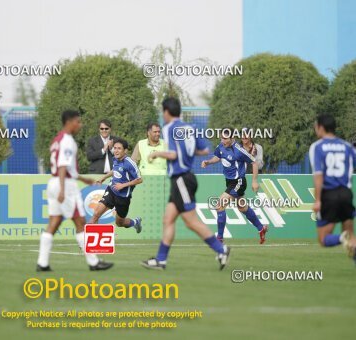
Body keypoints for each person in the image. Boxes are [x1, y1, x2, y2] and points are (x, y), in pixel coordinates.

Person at [140, 98, 230, 271]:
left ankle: (221, 249)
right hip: (183, 179)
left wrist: (156, 153)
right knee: (168, 219)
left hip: (181, 178)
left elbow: (173, 154)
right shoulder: (190, 128)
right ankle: (160, 260)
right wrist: (187, 152)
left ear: (166, 112)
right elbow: (204, 150)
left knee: (190, 221)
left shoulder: (170, 128)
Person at [36, 110, 113, 272]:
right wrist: (63, 189)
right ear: (69, 122)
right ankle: (93, 263)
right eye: (78, 122)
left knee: (54, 223)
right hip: (65, 185)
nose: (80, 125)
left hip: (54, 182)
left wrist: (83, 179)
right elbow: (63, 166)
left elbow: (65, 166)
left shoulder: (57, 139)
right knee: (80, 223)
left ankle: (42, 263)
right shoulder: (67, 140)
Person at [201, 129, 268, 244]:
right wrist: (208, 162)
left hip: (239, 182)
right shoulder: (221, 146)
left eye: (225, 138)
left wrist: (254, 181)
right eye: (221, 138)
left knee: (219, 205)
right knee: (242, 207)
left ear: (232, 138)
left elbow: (254, 162)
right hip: (229, 182)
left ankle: (219, 239)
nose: (223, 140)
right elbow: (217, 157)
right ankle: (261, 228)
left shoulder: (239, 150)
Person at [309, 114, 356, 263]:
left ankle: (342, 237)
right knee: (351, 236)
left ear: (321, 127)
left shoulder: (317, 147)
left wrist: (317, 200)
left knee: (323, 239)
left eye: (316, 126)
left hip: (329, 195)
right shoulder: (347, 146)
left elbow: (318, 175)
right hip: (346, 193)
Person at [90, 138, 143, 233]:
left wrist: (123, 185)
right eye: (115, 148)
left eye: (119, 148)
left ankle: (135, 222)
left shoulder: (130, 163)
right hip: (111, 190)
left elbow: (139, 180)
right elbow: (115, 170)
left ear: (125, 151)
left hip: (123, 197)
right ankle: (88, 243)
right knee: (96, 214)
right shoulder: (115, 158)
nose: (116, 151)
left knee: (119, 223)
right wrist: (104, 177)